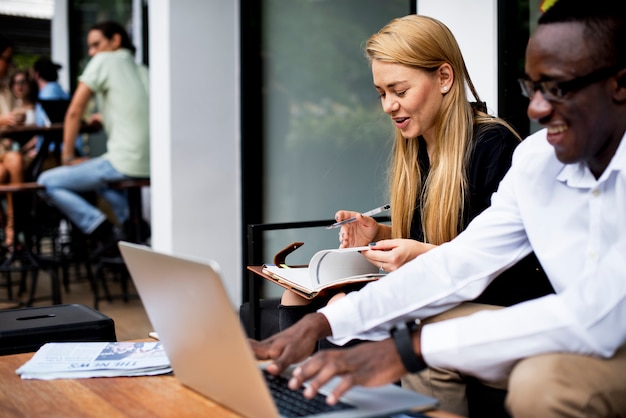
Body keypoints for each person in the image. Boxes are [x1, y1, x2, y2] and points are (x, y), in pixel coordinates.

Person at [252, 1, 626, 417]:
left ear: (619, 84)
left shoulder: (496, 146)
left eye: (558, 88)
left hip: (596, 330)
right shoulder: (537, 162)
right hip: (569, 326)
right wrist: (322, 325)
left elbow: (601, 316)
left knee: (541, 385)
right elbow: (461, 261)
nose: (537, 109)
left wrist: (409, 350)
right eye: (532, 88)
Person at [278, 14, 552, 335]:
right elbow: (438, 232)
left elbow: (504, 262)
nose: (388, 106)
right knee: (296, 293)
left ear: (445, 78)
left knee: (337, 309)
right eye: (382, 93)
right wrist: (379, 235)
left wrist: (420, 256)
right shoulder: (418, 146)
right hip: (431, 289)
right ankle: (287, 384)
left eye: (399, 90)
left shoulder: (495, 147)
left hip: (492, 303)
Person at [37, 21, 150, 255]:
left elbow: (74, 111)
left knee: (47, 181)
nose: (91, 52)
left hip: (124, 161)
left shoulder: (104, 60)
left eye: (96, 44)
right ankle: (132, 225)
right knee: (101, 182)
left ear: (116, 40)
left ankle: (102, 229)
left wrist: (67, 157)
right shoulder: (143, 70)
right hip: (150, 163)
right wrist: (106, 117)